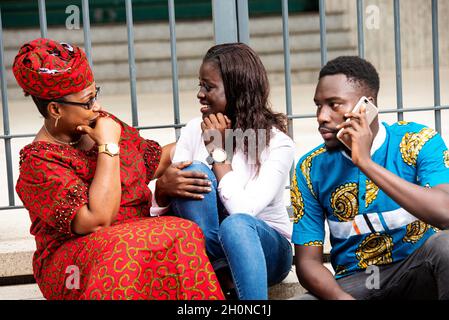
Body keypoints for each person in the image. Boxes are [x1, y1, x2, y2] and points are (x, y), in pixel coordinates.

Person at [12, 38, 224, 300]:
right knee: (124, 247)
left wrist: (208, 135)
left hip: (134, 236)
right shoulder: (39, 163)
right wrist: (108, 147)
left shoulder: (102, 123)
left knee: (184, 232)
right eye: (87, 102)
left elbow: (152, 161)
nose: (97, 107)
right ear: (55, 109)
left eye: (95, 95)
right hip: (71, 264)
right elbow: (97, 221)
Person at [291, 55, 449, 300]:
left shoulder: (418, 141)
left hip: (417, 272)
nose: (322, 116)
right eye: (318, 105)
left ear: (366, 106)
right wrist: (341, 299)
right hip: (355, 284)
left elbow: (444, 212)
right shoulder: (310, 168)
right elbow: (307, 263)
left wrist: (364, 161)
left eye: (334, 104)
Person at [155, 43, 295, 300]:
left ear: (237, 91)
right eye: (200, 85)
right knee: (194, 171)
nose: (200, 94)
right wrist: (162, 191)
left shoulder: (277, 143)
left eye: (209, 87)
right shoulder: (193, 129)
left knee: (236, 226)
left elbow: (244, 213)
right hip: (208, 250)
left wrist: (219, 153)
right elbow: (163, 210)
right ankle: (219, 272)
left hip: (266, 251)